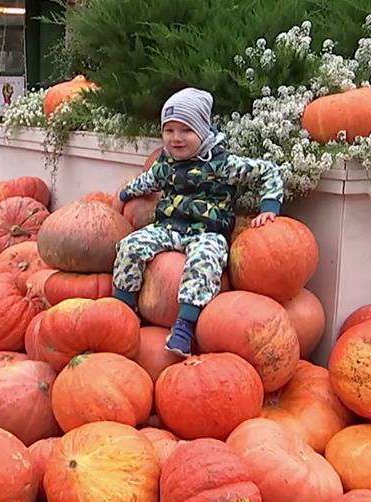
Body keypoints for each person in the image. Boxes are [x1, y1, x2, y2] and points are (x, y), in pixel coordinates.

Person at [113, 87, 284, 357]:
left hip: (207, 232)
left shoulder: (222, 164)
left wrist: (269, 206)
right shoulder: (165, 162)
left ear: (203, 131)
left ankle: (184, 326)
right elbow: (149, 181)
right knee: (130, 246)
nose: (176, 139)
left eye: (186, 131)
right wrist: (126, 193)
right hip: (169, 228)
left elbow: (269, 172)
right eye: (169, 131)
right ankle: (122, 312)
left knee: (205, 263)